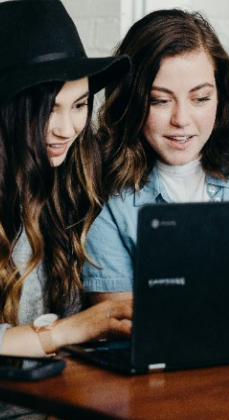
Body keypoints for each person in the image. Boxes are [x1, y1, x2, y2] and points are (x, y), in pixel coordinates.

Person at [82, 8, 229, 303]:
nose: (181, 119)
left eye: (200, 98)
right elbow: (118, 321)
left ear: (220, 96)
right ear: (132, 101)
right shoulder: (104, 190)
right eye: (160, 100)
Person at [0, 0, 132, 418]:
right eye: (48, 109)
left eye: (79, 105)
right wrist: (75, 327)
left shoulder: (77, 179)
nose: (67, 128)